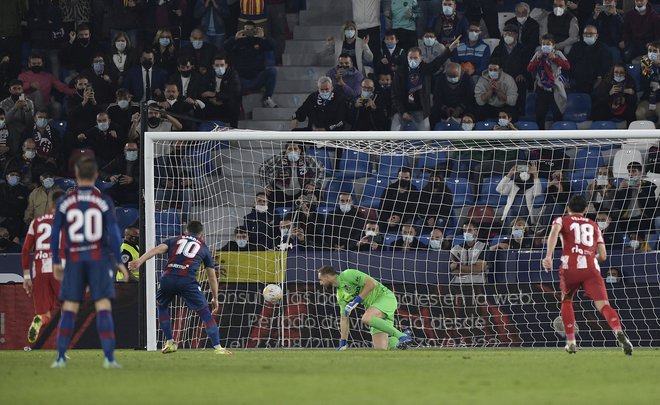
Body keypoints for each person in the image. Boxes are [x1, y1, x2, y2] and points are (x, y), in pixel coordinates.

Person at [50, 158, 130, 368]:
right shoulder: (103, 201)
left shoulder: (65, 201)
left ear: (76, 174)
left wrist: (57, 261)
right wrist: (118, 260)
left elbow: (55, 232)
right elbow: (113, 233)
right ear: (95, 176)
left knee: (70, 307)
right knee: (102, 305)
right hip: (98, 258)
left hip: (75, 258)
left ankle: (60, 357)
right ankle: (109, 358)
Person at [542, 195, 633, 355]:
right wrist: (589, 259)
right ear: (585, 210)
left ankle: (570, 341)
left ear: (568, 208)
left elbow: (554, 232)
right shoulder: (594, 225)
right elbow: (603, 256)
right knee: (604, 305)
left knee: (567, 300)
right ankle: (618, 331)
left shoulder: (561, 220)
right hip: (591, 268)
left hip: (570, 267)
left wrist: (548, 256)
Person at [128, 220, 232, 355]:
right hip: (187, 281)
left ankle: (170, 342)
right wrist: (215, 297)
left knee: (162, 306)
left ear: (186, 231)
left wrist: (139, 261)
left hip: (168, 278)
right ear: (201, 235)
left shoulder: (174, 240)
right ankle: (218, 348)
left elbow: (157, 249)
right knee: (205, 314)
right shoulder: (203, 247)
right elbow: (212, 277)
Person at [317, 266, 413, 350]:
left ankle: (402, 336)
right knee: (381, 349)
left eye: (321, 280)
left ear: (327, 277)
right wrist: (343, 342)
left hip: (384, 297)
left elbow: (371, 284)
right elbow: (344, 319)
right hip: (374, 308)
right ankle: (397, 342)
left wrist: (356, 300)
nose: (320, 283)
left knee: (366, 318)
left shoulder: (347, 274)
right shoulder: (340, 295)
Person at [21, 190, 66, 344]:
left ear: (51, 203)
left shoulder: (37, 221)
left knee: (44, 313)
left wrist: (26, 276)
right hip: (60, 269)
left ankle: (39, 320)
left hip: (40, 270)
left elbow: (26, 250)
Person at [391, 40, 460, 131]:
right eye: (410, 58)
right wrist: (403, 112)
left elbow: (437, 62)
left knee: (426, 139)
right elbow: (395, 96)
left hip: (421, 111)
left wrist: (449, 49)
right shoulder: (400, 73)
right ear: (407, 58)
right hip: (402, 110)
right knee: (393, 135)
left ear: (420, 58)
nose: (412, 60)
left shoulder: (425, 69)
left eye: (415, 58)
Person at [224, 22, 278, 108]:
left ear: (255, 31)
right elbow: (225, 47)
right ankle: (235, 103)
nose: (248, 32)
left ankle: (267, 98)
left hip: (257, 78)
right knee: (230, 75)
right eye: (246, 30)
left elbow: (274, 45)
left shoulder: (260, 41)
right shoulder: (238, 42)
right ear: (243, 30)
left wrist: (264, 37)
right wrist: (234, 38)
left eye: (251, 30)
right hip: (241, 80)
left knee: (272, 71)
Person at [259, 141, 326, 208]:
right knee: (270, 202)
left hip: (301, 190)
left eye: (295, 149)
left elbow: (321, 169)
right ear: (286, 151)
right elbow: (262, 168)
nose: (292, 151)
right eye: (290, 149)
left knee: (312, 198)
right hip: (281, 191)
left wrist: (312, 183)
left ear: (300, 150)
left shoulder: (307, 159)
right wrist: (266, 184)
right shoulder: (279, 158)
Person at [527, 34, 570, 130]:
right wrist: (537, 60)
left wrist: (555, 58)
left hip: (555, 87)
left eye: (548, 44)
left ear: (553, 45)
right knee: (540, 114)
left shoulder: (558, 53)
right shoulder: (538, 54)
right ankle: (541, 137)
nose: (545, 46)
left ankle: (558, 135)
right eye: (543, 44)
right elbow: (529, 68)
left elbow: (567, 66)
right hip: (541, 87)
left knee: (557, 112)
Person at [567, 25, 613, 93]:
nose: (588, 36)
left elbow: (606, 65)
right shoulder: (576, 46)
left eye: (591, 34)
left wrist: (600, 77)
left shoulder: (603, 48)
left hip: (594, 80)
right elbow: (569, 62)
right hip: (577, 79)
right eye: (586, 34)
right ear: (583, 35)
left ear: (596, 36)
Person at [202, 54, 242, 128]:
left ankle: (233, 130)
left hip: (226, 102)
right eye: (217, 65)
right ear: (213, 66)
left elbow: (235, 92)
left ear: (226, 65)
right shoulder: (208, 75)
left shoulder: (233, 74)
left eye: (222, 65)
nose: (219, 67)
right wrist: (211, 100)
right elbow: (203, 91)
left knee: (234, 103)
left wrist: (216, 95)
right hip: (211, 102)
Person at [636, 41, 660, 123]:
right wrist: (652, 66)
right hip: (648, 100)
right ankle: (647, 134)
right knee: (639, 113)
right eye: (650, 51)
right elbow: (644, 83)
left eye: (655, 51)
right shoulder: (645, 64)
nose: (651, 53)